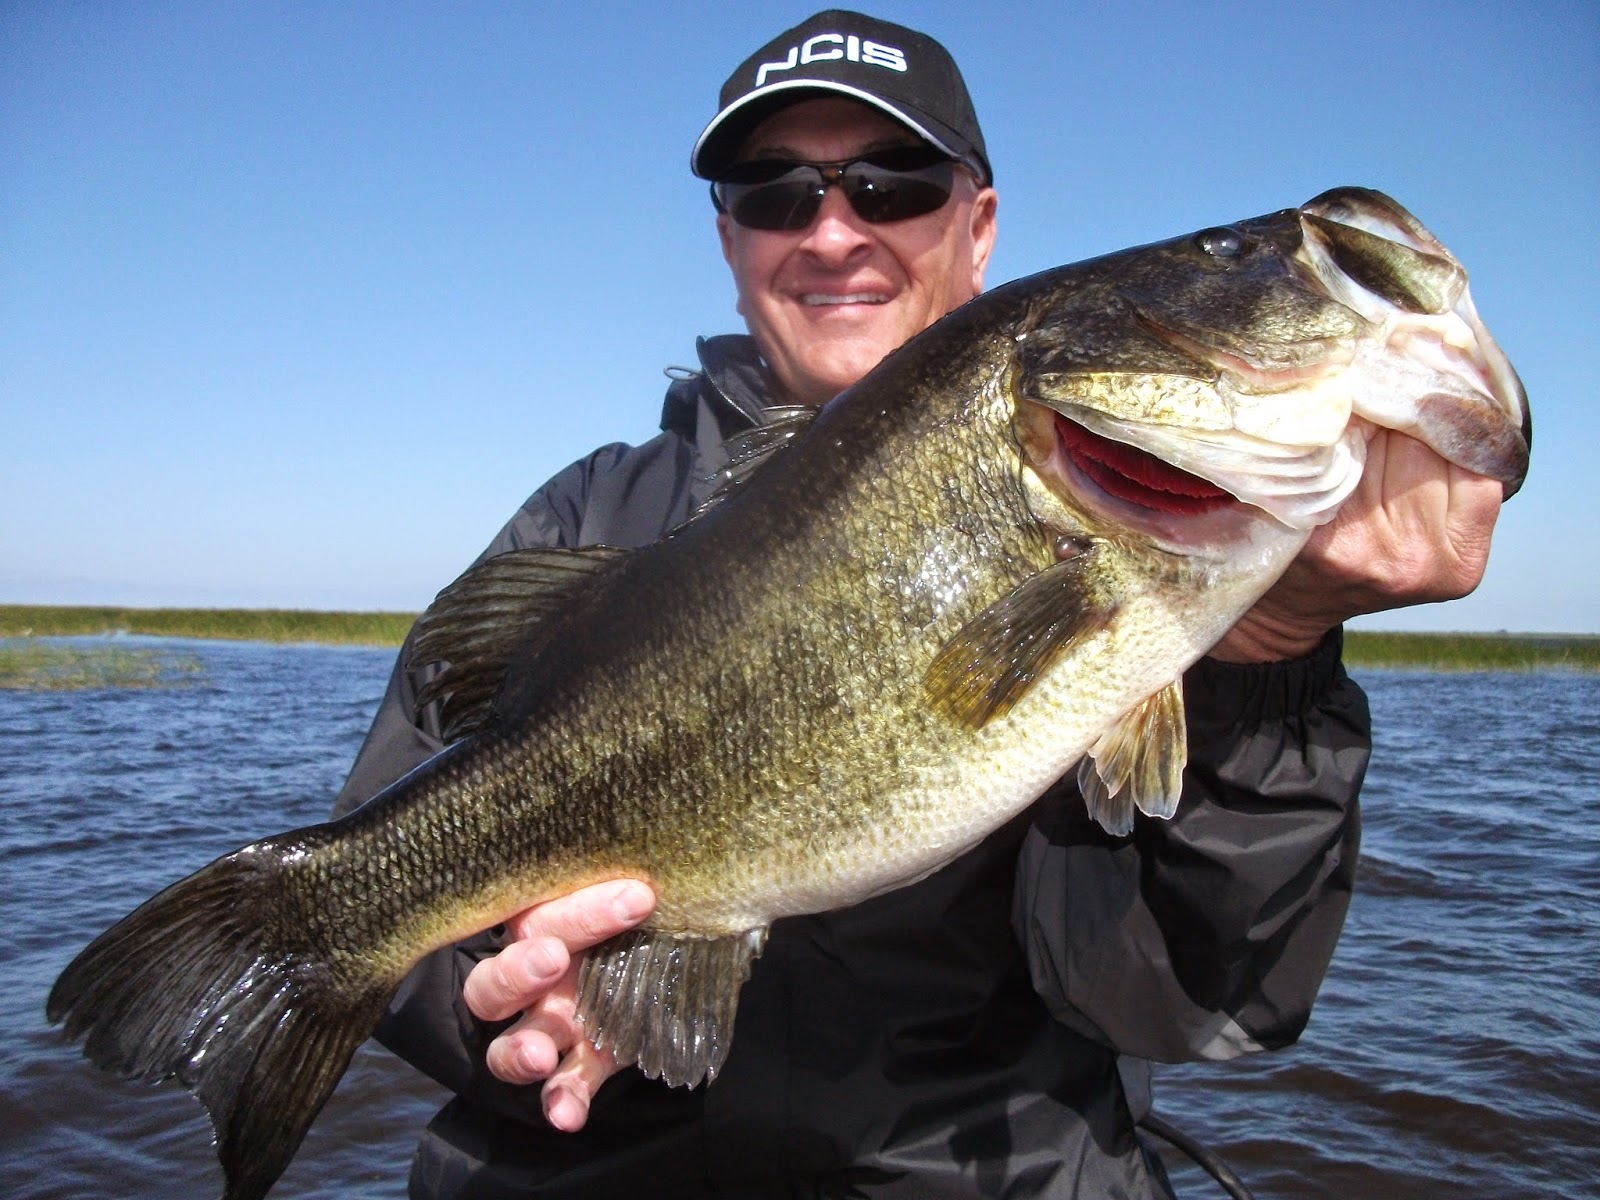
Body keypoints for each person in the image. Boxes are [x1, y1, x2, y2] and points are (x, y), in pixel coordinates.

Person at [333, 11, 1504, 1198]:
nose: (833, 232)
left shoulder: (1167, 546)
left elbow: (1189, 1002)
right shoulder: (581, 523)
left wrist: (1272, 655)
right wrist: (504, 998)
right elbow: (377, 896)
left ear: (978, 225)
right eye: (773, 192)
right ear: (728, 238)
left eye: (890, 185)